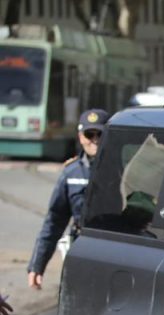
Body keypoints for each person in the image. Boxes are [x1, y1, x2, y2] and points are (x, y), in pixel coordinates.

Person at [27, 108, 110, 289]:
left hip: (112, 252)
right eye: (89, 134)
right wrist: (37, 265)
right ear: (81, 137)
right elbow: (54, 221)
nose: (94, 140)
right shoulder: (71, 173)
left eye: (100, 134)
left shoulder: (122, 171)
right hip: (81, 251)